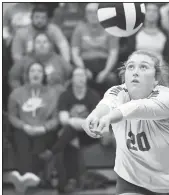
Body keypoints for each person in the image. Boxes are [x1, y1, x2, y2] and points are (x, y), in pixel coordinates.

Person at [82, 50, 169, 195]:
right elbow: (106, 104)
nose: (135, 72)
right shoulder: (117, 91)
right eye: (131, 67)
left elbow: (137, 108)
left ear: (156, 78)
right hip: (133, 179)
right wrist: (94, 117)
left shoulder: (167, 98)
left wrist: (109, 118)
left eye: (143, 67)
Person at [39, 67, 101, 193]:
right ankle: (70, 182)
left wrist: (74, 122)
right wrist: (76, 123)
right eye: (77, 75)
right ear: (72, 79)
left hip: (90, 133)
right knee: (70, 137)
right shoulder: (65, 95)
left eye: (82, 75)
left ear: (86, 79)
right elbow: (63, 119)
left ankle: (52, 152)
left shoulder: (93, 95)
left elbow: (95, 122)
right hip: (71, 133)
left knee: (67, 133)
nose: (80, 78)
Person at [8, 62, 59, 194]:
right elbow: (12, 116)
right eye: (32, 71)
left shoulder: (53, 93)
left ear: (43, 75)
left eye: (39, 71)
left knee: (39, 143)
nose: (35, 74)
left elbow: (56, 118)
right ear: (27, 75)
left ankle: (26, 180)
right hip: (23, 128)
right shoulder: (16, 93)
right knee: (21, 140)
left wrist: (44, 128)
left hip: (44, 130)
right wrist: (24, 126)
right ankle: (27, 177)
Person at [71, 3, 119, 96]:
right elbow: (75, 53)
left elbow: (113, 53)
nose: (93, 15)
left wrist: (105, 72)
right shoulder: (79, 28)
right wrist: (83, 69)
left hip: (104, 64)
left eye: (96, 12)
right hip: (85, 64)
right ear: (85, 14)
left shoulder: (110, 29)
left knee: (111, 79)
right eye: (90, 12)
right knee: (79, 77)